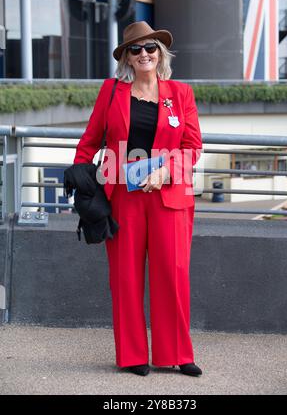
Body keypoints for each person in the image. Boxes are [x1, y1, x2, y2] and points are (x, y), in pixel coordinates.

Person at [73, 21, 203, 377]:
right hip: (123, 198)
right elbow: (89, 141)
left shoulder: (180, 93)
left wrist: (166, 172)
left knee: (173, 276)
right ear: (127, 58)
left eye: (151, 48)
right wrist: (82, 182)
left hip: (170, 195)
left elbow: (193, 146)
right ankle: (132, 356)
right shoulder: (112, 92)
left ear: (161, 54)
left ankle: (176, 353)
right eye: (136, 49)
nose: (144, 54)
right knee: (125, 279)